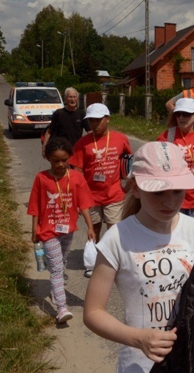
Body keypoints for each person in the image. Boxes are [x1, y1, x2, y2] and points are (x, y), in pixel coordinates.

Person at [83, 141, 194, 373]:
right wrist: (137, 338)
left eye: (177, 190)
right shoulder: (118, 237)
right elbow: (92, 312)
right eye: (158, 192)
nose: (170, 201)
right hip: (140, 364)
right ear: (135, 187)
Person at [28, 137, 94, 323]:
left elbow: (84, 203)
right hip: (47, 231)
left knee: (62, 260)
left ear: (69, 158)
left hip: (68, 229)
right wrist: (34, 230)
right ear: (48, 158)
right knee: (57, 269)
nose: (60, 164)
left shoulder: (77, 178)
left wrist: (90, 226)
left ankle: (55, 290)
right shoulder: (42, 178)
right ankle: (62, 308)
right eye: (56, 160)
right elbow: (35, 206)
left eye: (64, 160)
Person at [70, 103, 133, 261]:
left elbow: (130, 162)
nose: (94, 124)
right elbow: (76, 173)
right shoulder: (82, 143)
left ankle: (115, 259)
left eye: (98, 120)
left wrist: (128, 186)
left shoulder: (120, 139)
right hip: (91, 197)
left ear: (107, 119)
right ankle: (94, 260)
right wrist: (79, 198)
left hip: (114, 194)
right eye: (91, 120)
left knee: (114, 230)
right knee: (94, 228)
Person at [41, 87, 89, 157]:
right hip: (61, 149)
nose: (72, 99)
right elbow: (49, 131)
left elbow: (89, 131)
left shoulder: (81, 113)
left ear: (77, 99)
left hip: (76, 148)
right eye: (70, 97)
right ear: (65, 99)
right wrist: (44, 147)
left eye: (74, 97)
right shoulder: (59, 113)